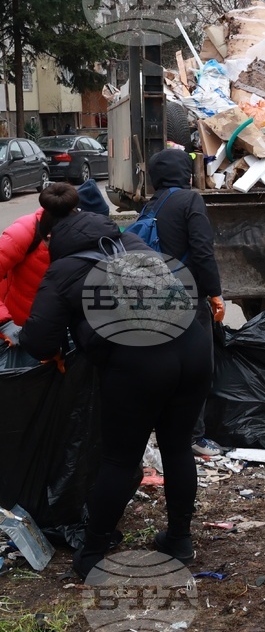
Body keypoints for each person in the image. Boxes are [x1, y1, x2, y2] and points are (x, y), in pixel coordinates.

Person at [19, 183, 213, 576]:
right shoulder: (134, 244)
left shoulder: (64, 269)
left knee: (120, 460)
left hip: (140, 362)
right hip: (194, 348)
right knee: (177, 448)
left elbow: (39, 341)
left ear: (52, 236)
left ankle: (91, 554)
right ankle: (179, 540)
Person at [143, 149, 226, 456]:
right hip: (187, 298)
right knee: (198, 369)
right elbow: (202, 251)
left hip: (155, 297)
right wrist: (214, 293)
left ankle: (163, 429)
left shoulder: (150, 205)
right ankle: (195, 435)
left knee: (164, 366)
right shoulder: (190, 200)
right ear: (184, 174)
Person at [0, 181, 109, 346]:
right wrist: (5, 323)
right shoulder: (23, 233)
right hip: (18, 329)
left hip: (61, 329)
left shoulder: (88, 241)